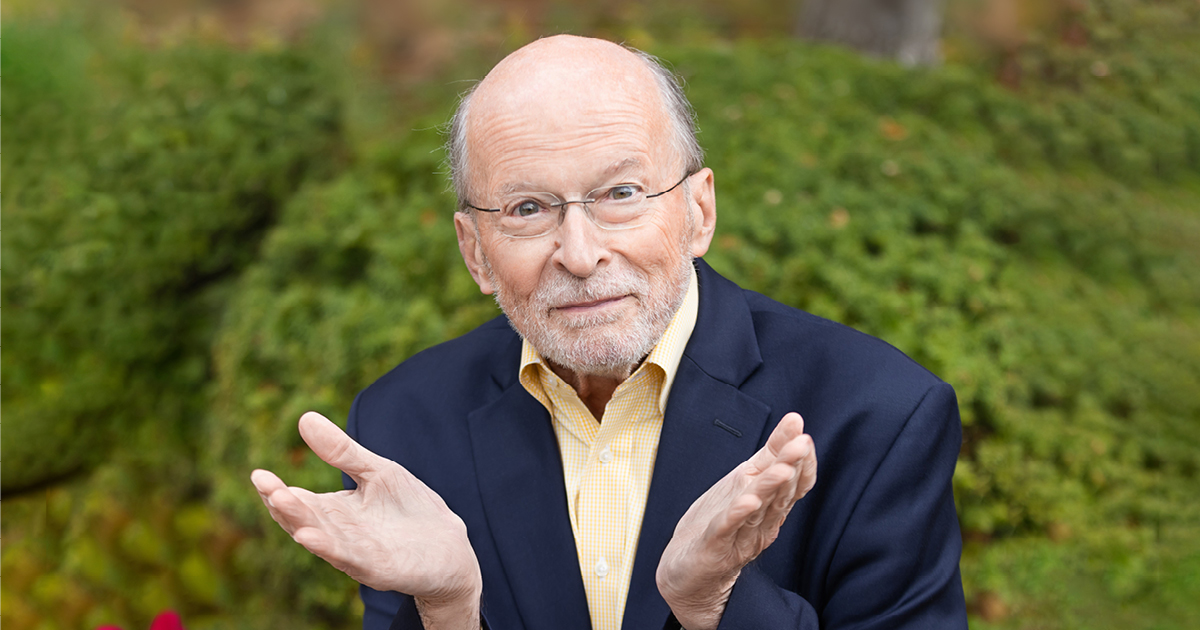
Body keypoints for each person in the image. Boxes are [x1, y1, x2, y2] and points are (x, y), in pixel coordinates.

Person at [250, 35, 967, 630]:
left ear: (698, 211)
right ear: (475, 253)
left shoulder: (880, 413)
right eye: (528, 208)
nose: (581, 253)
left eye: (621, 195)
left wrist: (718, 603)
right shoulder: (404, 425)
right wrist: (448, 609)